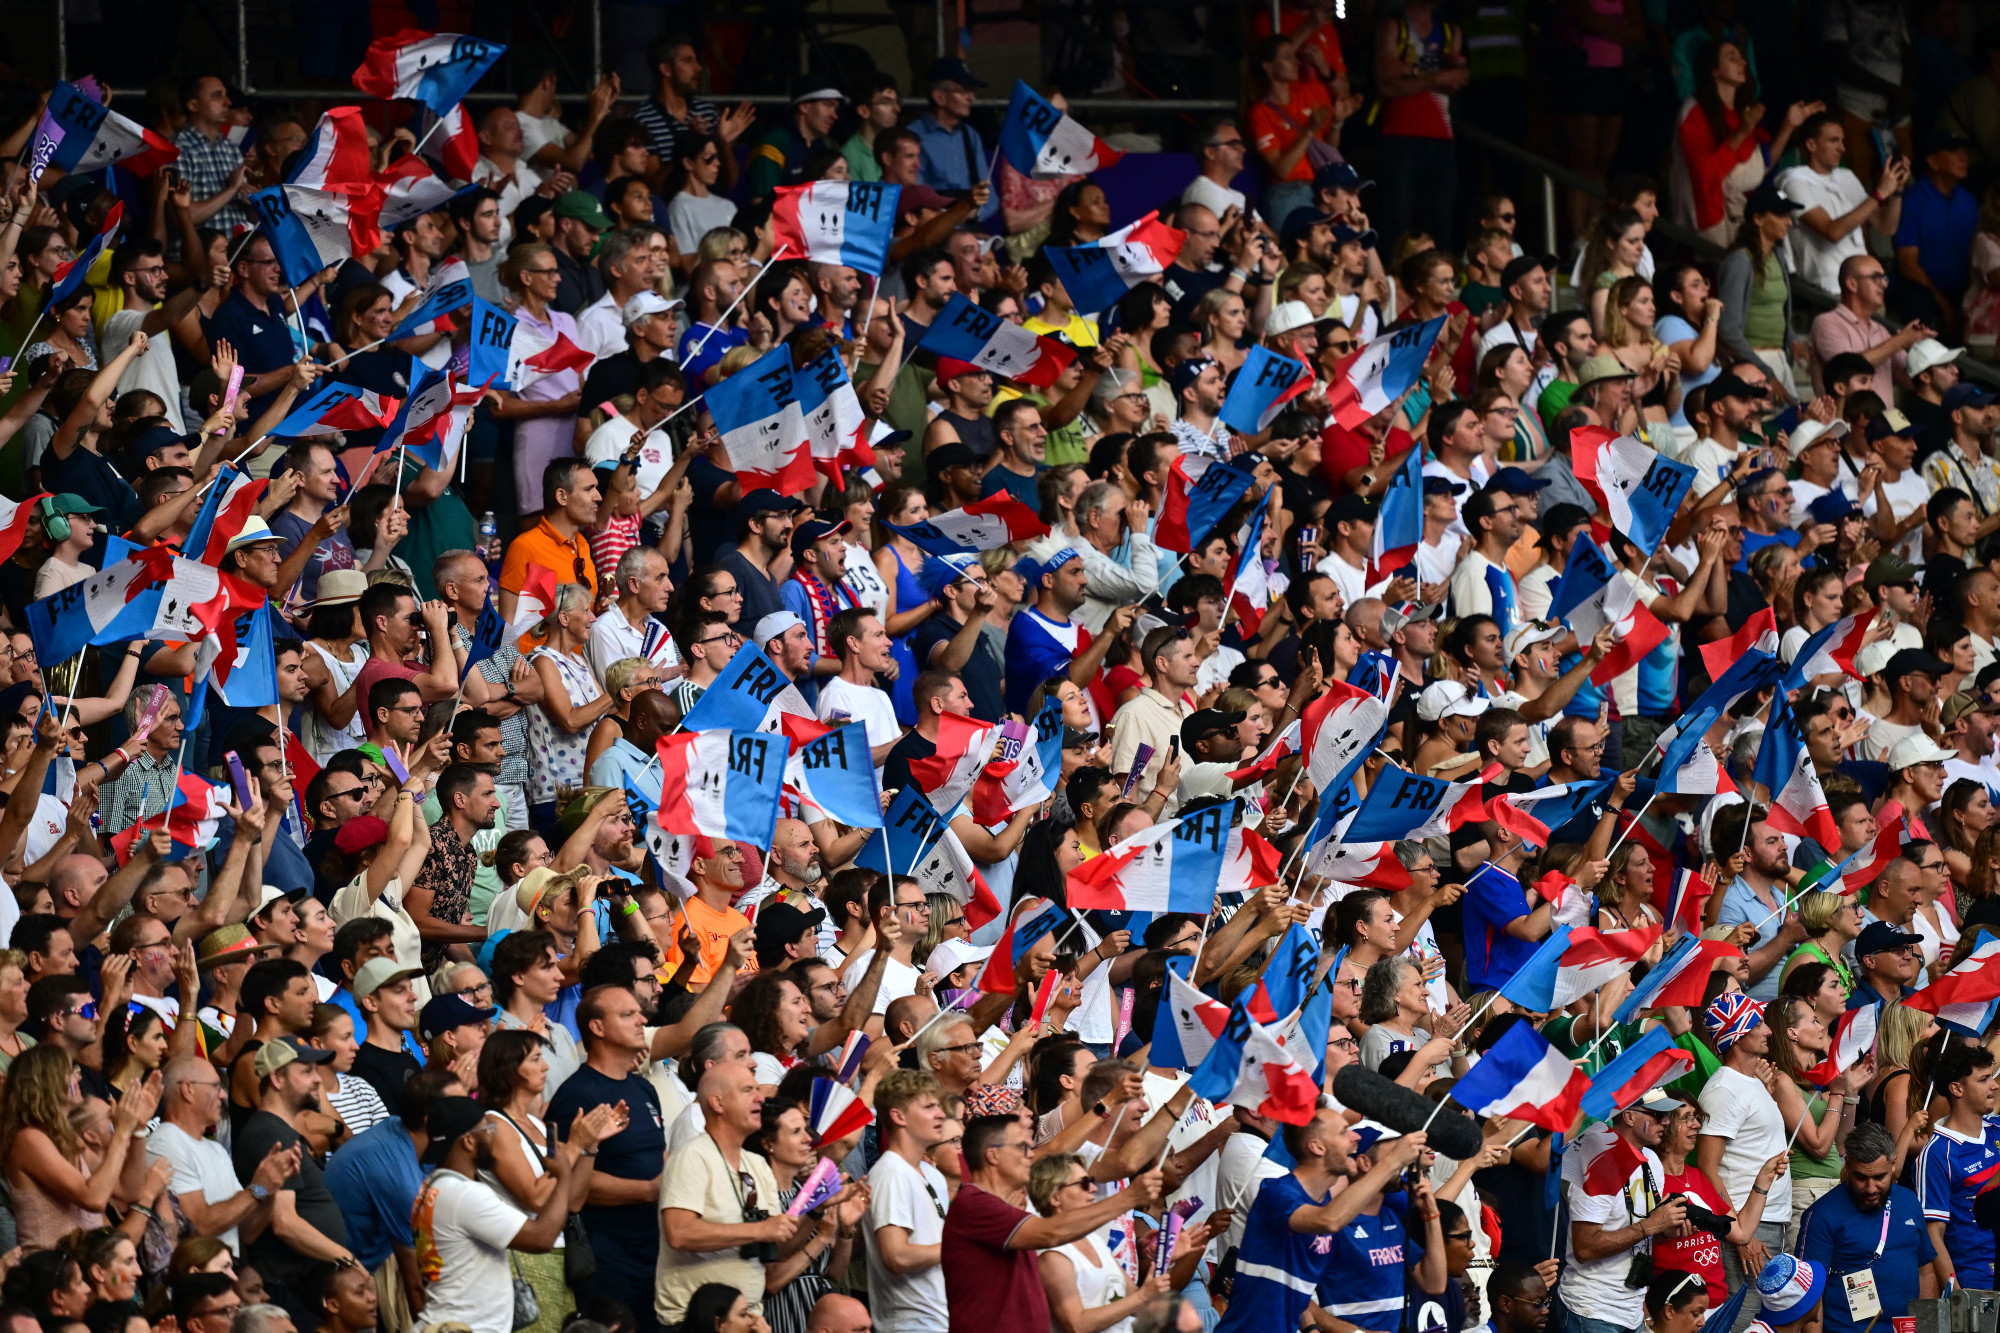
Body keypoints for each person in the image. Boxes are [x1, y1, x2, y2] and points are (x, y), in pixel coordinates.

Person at [410, 1091, 611, 1333]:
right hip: (468, 1326)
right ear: (468, 1141)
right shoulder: (465, 1195)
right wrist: (564, 1173)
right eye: (487, 1129)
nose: (493, 1135)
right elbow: (542, 1238)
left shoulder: (431, 1187)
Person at [1796, 1121, 1942, 1333]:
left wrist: (1926, 1328)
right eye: (1861, 1177)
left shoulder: (1909, 1202)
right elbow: (1809, 1293)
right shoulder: (1821, 1215)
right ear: (1848, 1167)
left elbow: (1925, 1271)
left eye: (1879, 1177)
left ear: (1893, 1165)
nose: (1871, 1188)